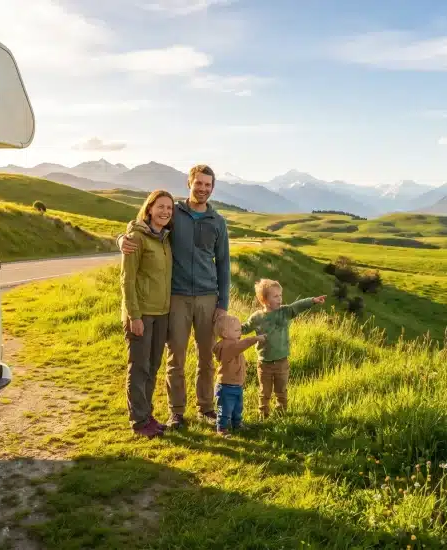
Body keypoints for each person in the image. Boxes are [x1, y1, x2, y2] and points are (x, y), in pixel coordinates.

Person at [118, 164, 230, 429]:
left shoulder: (218, 222)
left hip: (208, 298)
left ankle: (205, 408)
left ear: (212, 188)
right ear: (189, 183)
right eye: (198, 183)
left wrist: (222, 304)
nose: (203, 189)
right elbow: (143, 225)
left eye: (207, 185)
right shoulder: (174, 213)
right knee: (175, 357)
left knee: (206, 357)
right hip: (176, 298)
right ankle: (176, 412)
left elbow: (223, 264)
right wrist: (121, 238)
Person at [121, 190, 174, 438]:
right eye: (161, 207)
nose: (165, 212)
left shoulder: (164, 239)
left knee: (152, 367)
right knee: (139, 368)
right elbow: (127, 280)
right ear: (149, 208)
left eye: (169, 208)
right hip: (141, 313)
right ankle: (139, 421)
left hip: (161, 313)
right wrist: (134, 316)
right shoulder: (136, 238)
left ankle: (147, 414)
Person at [242, 279, 326, 418]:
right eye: (275, 296)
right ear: (264, 299)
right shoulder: (257, 317)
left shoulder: (285, 312)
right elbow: (244, 328)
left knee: (281, 390)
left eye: (280, 295)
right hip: (264, 363)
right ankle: (263, 414)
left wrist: (313, 300)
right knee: (265, 391)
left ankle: (281, 412)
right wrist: (230, 328)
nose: (280, 298)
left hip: (282, 362)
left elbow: (298, 305)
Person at [212, 315, 265, 437]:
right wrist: (255, 338)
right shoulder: (226, 346)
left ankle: (237, 423)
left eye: (239, 329)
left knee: (237, 407)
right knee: (225, 409)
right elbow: (241, 345)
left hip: (237, 384)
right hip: (226, 386)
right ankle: (222, 428)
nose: (240, 332)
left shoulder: (233, 344)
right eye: (236, 330)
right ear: (225, 333)